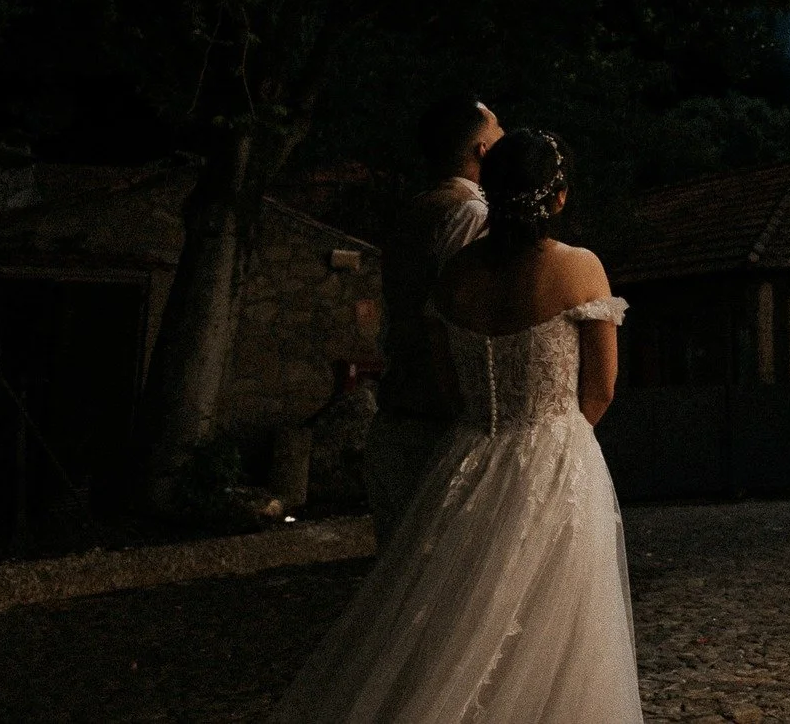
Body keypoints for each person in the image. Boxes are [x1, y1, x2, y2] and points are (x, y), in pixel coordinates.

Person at [274, 129, 640, 724]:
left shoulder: (455, 276)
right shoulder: (580, 268)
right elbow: (601, 388)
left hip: (469, 455)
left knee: (450, 614)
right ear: (558, 198)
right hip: (556, 453)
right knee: (557, 619)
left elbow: (451, 389)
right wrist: (558, 441)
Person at [362, 96, 502, 542]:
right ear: (482, 149)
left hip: (398, 410)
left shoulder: (414, 210)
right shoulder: (470, 214)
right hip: (438, 418)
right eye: (498, 128)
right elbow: (461, 316)